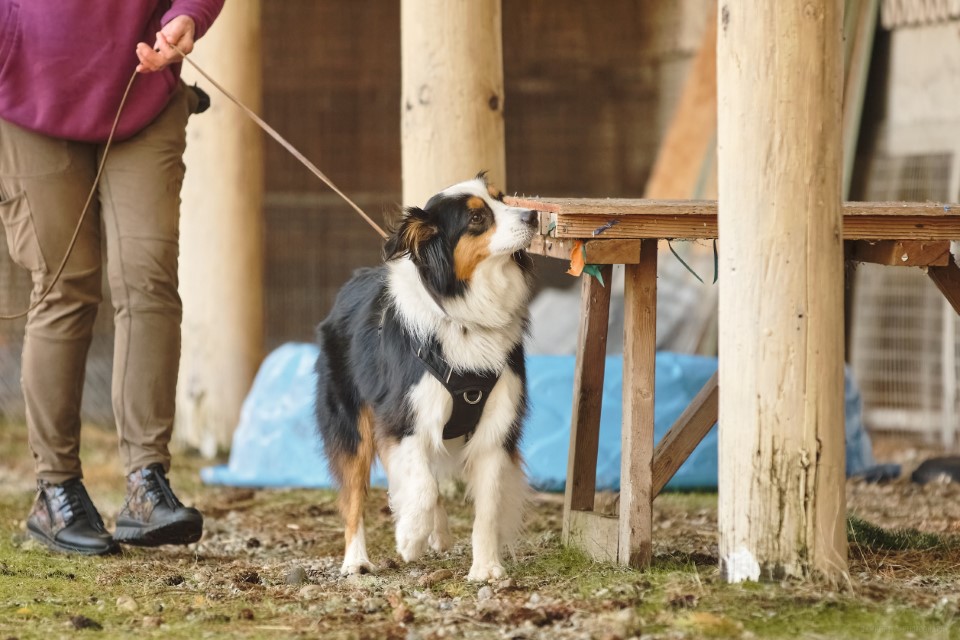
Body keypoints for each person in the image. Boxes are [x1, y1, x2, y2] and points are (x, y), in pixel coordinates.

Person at [0, 0, 226, 554]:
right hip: (24, 93)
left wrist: (189, 14)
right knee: (64, 286)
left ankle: (147, 486)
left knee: (147, 280)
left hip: (143, 89)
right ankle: (56, 493)